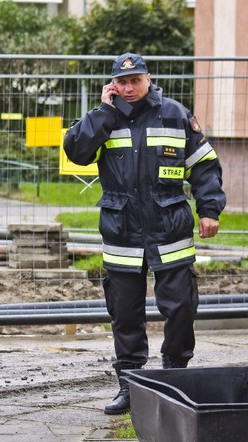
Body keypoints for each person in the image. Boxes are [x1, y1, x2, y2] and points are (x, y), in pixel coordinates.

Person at [63, 53, 226, 415]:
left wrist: (210, 209)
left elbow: (204, 165)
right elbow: (75, 151)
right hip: (122, 233)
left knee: (182, 307)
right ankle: (130, 386)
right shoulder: (102, 118)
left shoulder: (175, 114)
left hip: (170, 229)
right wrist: (104, 113)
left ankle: (175, 378)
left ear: (148, 79)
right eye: (121, 82)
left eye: (135, 80)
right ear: (112, 85)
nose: (129, 88)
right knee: (125, 314)